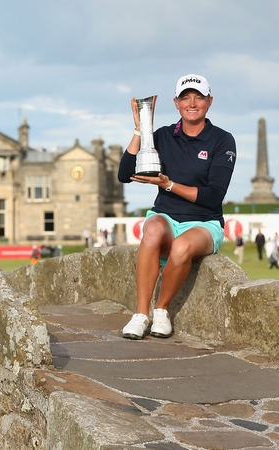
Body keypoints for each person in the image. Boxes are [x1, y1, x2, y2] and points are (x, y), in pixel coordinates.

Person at [117, 73, 236, 339]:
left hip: (204, 223)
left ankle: (161, 309)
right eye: (185, 98)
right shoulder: (162, 136)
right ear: (176, 103)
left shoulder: (222, 140)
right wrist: (140, 130)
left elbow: (213, 196)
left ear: (209, 101)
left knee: (182, 246)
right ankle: (141, 314)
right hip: (166, 218)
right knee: (152, 229)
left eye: (199, 97)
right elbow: (124, 173)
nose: (192, 103)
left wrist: (168, 185)